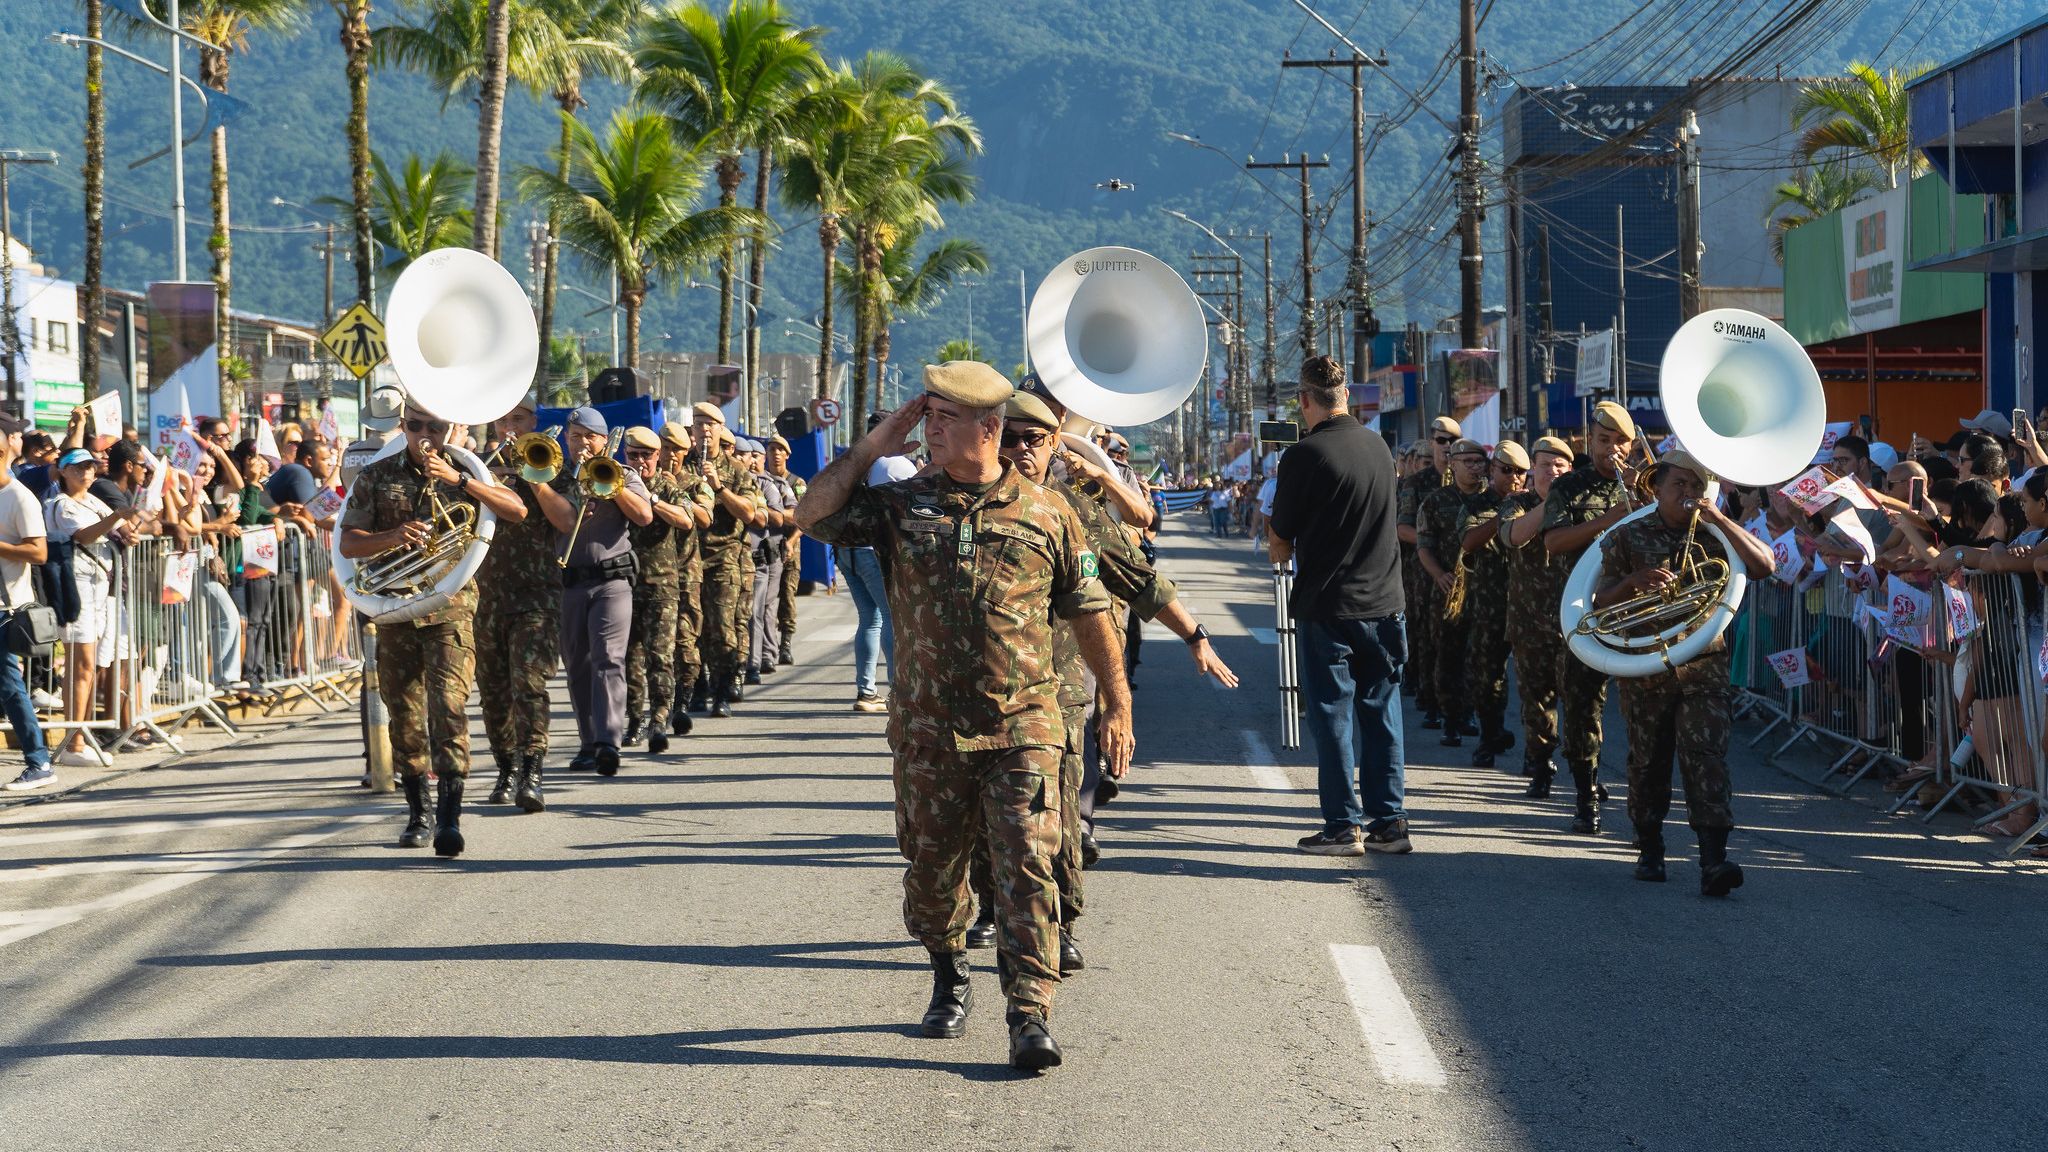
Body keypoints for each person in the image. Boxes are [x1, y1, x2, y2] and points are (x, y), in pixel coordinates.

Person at [796, 361, 1133, 1073]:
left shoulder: (1049, 511)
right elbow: (811, 515)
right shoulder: (901, 503)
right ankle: (949, 970)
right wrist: (874, 443)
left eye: (944, 418)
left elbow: (1091, 611)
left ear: (988, 428)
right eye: (926, 417)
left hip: (1024, 726)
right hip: (927, 730)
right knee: (932, 876)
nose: (930, 429)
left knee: (1027, 865)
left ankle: (1030, 1011)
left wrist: (1117, 702)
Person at [984, 387, 1238, 971]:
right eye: (1011, 438)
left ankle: (1060, 919)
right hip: (986, 690)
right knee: (989, 821)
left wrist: (1195, 635)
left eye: (1035, 440)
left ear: (1053, 445)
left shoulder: (1074, 506)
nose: (1022, 450)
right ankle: (996, 908)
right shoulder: (959, 501)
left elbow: (1137, 577)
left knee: (1061, 815)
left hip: (1062, 690)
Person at [338, 408, 526, 855]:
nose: (425, 435)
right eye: (416, 425)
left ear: (449, 430)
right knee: (404, 716)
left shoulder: (465, 469)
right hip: (396, 606)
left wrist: (461, 482)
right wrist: (394, 537)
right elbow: (348, 542)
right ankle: (417, 812)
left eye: (435, 427)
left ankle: (449, 817)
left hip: (450, 609)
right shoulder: (378, 474)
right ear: (403, 426)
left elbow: (515, 510)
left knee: (448, 707)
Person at [1594, 449, 1773, 894]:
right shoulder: (1628, 535)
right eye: (1680, 485)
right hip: (1646, 665)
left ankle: (1714, 861)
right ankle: (1650, 848)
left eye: (1697, 486)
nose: (1690, 494)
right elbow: (1596, 603)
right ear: (1657, 488)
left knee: (1706, 757)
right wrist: (1631, 585)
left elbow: (1765, 566)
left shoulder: (1715, 534)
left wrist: (1720, 518)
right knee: (1648, 761)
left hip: (1703, 666)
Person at [1268, 355, 1409, 855]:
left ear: (1305, 400)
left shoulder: (1304, 455)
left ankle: (1342, 825)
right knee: (1382, 713)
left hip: (1330, 605)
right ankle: (1390, 823)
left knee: (1332, 716)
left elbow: (1280, 535)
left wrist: (1279, 540)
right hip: (1386, 602)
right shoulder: (1380, 448)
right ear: (1345, 394)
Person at [532, 407, 652, 776]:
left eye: (589, 437)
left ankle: (608, 741)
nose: (581, 443)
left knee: (608, 658)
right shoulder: (554, 476)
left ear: (604, 442)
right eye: (575, 436)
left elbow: (644, 516)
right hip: (569, 584)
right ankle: (587, 743)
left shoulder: (623, 474)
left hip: (612, 582)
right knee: (578, 666)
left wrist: (611, 487)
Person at [1541, 400, 1639, 834]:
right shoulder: (1570, 487)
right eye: (1603, 441)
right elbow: (1555, 542)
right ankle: (1586, 796)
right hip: (1583, 613)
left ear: (1633, 446)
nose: (1611, 450)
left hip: (1636, 612)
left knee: (1645, 713)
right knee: (1581, 707)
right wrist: (1610, 518)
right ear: (1590, 440)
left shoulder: (1644, 488)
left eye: (1620, 442)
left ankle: (1644, 803)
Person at [474, 394, 560, 811]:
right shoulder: (476, 470)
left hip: (537, 595)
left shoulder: (551, 465)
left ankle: (532, 770)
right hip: (486, 597)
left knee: (529, 683)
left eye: (519, 418)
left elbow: (564, 519)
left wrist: (535, 478)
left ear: (534, 423)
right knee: (493, 691)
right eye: (503, 420)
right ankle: (505, 767)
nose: (510, 427)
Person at [44, 448, 140, 768]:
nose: (86, 472)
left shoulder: (94, 500)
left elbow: (119, 530)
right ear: (62, 472)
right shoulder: (61, 504)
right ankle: (74, 742)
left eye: (90, 466)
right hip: (76, 587)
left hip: (100, 588)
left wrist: (131, 526)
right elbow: (83, 535)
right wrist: (116, 517)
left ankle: (81, 734)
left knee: (89, 665)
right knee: (80, 664)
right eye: (78, 467)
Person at [1496, 436, 1576, 790]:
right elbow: (1513, 536)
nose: (1553, 471)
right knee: (1537, 702)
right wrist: (1550, 503)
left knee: (1581, 702)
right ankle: (1541, 766)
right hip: (1529, 623)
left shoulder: (1581, 506)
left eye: (1560, 466)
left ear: (1570, 470)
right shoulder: (1517, 505)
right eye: (1545, 465)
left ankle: (1583, 773)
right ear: (1532, 471)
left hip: (1574, 622)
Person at [1414, 438, 1495, 748]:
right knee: (1447, 655)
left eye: (1479, 462)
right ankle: (1449, 718)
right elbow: (1424, 545)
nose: (1476, 468)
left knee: (1480, 658)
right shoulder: (1435, 501)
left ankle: (1469, 713)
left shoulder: (1493, 500)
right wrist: (1439, 575)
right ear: (1453, 464)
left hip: (1487, 590)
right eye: (1468, 462)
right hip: (1449, 589)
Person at [1455, 440, 1530, 766]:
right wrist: (1502, 516)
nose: (1514, 478)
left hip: (1529, 607)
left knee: (1534, 682)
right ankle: (1489, 735)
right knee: (1487, 677)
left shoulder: (1535, 504)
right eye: (1506, 470)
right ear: (1493, 470)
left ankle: (1537, 752)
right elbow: (1468, 542)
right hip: (1488, 606)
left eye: (1520, 472)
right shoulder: (1477, 504)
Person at [837, 412, 917, 712]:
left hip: (847, 548)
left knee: (869, 620)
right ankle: (898, 690)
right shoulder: (894, 463)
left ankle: (866, 691)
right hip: (874, 550)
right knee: (892, 617)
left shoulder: (855, 463)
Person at [623, 424, 695, 756]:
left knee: (660, 657)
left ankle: (659, 717)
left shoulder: (667, 487)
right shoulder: (616, 483)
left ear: (657, 456)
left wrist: (651, 499)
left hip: (662, 585)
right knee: (629, 659)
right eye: (632, 455)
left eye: (645, 455)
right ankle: (635, 719)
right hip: (625, 585)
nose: (639, 462)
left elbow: (686, 519)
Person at [687, 406, 763, 718]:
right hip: (690, 558)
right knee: (694, 627)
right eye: (699, 424)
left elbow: (750, 514)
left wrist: (719, 487)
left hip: (725, 558)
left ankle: (722, 688)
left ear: (721, 428)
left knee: (722, 627)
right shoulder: (684, 464)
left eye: (711, 424)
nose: (705, 430)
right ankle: (698, 684)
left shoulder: (737, 470)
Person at [0, 417, 54, 792]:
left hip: (5, 609)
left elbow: (38, 551)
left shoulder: (20, 497)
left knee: (9, 686)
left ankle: (39, 761)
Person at [1396, 415, 1460, 728]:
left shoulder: (1472, 478)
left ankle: (1460, 707)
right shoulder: (1417, 483)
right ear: (1433, 442)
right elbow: (1402, 527)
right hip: (1422, 572)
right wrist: (1428, 541)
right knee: (1427, 636)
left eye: (1453, 441)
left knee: (1463, 643)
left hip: (1463, 573)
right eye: (1441, 440)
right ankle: (1430, 697)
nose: (1447, 447)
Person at [660, 420, 714, 736]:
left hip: (684, 572)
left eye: (675, 449)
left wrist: (675, 491)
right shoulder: (644, 479)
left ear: (686, 451)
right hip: (650, 573)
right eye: (664, 448)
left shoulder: (696, 484)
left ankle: (684, 698)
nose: (669, 455)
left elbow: (705, 517)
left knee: (684, 637)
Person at [747, 438, 797, 684]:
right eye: (770, 449)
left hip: (775, 547)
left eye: (758, 455)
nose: (754, 459)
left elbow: (797, 514)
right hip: (754, 550)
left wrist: (768, 514)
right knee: (757, 607)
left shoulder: (782, 484)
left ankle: (769, 652)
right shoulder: (742, 481)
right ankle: (761, 653)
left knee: (769, 604)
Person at [765, 435, 804, 669]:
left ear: (787, 455)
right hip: (766, 545)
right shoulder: (761, 479)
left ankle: (786, 643)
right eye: (772, 449)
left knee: (787, 595)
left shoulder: (796, 482)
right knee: (767, 599)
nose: (776, 453)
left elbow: (806, 517)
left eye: (780, 450)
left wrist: (791, 541)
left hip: (789, 545)